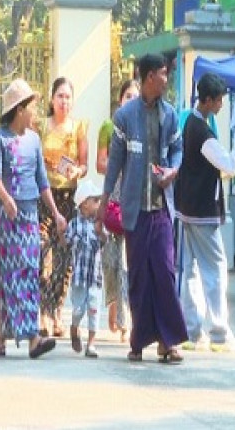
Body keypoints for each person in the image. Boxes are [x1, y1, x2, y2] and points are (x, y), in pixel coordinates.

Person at [98, 53, 188, 363]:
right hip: (134, 211)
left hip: (161, 208)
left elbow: (178, 150)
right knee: (138, 277)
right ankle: (138, 340)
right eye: (163, 73)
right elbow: (114, 164)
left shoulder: (171, 115)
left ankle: (169, 341)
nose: (166, 78)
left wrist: (173, 171)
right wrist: (104, 201)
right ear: (149, 77)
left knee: (164, 271)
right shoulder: (125, 117)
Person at [0, 78, 64, 359]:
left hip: (30, 214)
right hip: (7, 219)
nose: (36, 111)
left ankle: (31, 336)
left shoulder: (33, 140)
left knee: (28, 273)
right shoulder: (0, 138)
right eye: (32, 106)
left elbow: (42, 181)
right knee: (7, 275)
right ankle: (6, 336)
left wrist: (55, 214)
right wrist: (7, 199)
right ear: (19, 109)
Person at [176, 73, 235, 352]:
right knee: (215, 269)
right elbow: (228, 165)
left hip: (187, 210)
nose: (221, 105)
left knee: (191, 271)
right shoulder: (202, 132)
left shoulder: (192, 125)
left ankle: (191, 331)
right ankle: (219, 332)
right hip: (202, 212)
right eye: (218, 100)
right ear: (206, 100)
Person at [38, 76, 88, 337]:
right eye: (60, 96)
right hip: (45, 198)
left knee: (64, 259)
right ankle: (42, 313)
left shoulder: (78, 128)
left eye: (68, 97)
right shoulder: (41, 127)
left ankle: (58, 312)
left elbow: (84, 163)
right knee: (43, 253)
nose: (64, 101)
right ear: (51, 98)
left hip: (68, 199)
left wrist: (77, 171)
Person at [96, 80, 140, 342]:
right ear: (120, 99)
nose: (132, 99)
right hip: (113, 194)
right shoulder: (108, 127)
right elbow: (101, 164)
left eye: (136, 96)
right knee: (111, 259)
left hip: (133, 195)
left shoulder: (142, 128)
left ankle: (126, 321)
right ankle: (113, 306)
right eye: (128, 95)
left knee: (127, 261)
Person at [66, 179, 104, 358]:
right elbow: (65, 241)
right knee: (78, 310)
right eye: (95, 200)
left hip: (95, 276)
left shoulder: (99, 224)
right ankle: (74, 328)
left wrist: (101, 233)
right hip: (80, 277)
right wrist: (62, 233)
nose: (98, 204)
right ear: (84, 203)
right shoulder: (74, 224)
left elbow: (105, 241)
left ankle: (91, 344)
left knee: (94, 310)